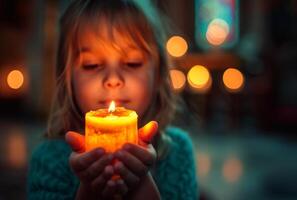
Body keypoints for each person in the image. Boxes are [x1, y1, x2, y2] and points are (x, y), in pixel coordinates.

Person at [28, 0, 198, 199]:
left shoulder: (176, 151)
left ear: (159, 75)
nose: (113, 80)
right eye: (91, 65)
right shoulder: (48, 159)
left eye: (132, 63)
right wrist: (91, 188)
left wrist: (139, 180)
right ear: (68, 80)